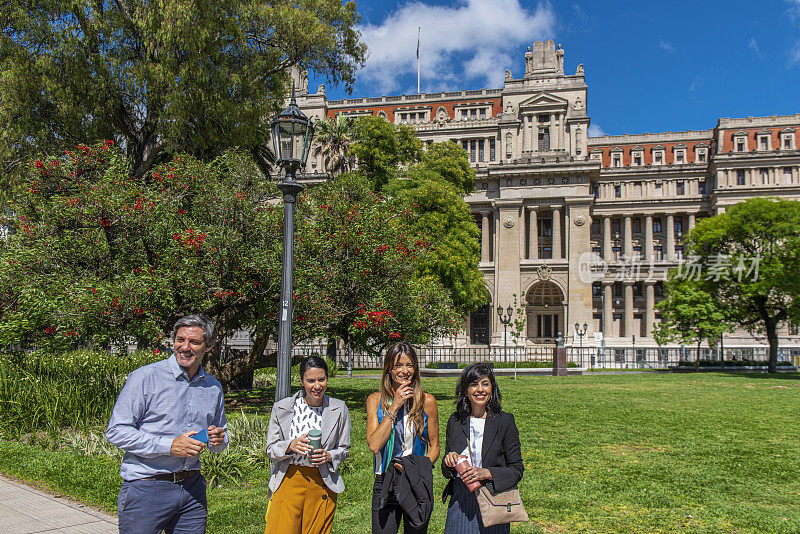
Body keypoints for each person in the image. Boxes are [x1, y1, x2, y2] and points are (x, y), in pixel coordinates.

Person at [106, 314, 228, 534]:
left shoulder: (213, 387)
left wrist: (218, 439)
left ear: (208, 346)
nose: (185, 347)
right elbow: (116, 431)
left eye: (194, 342)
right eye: (180, 340)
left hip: (192, 489)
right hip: (147, 486)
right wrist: (169, 446)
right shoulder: (145, 377)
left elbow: (220, 437)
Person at [264, 355, 351, 534]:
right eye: (311, 381)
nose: (317, 386)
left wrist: (329, 456)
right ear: (302, 380)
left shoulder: (338, 408)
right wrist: (290, 446)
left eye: (322, 379)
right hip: (289, 479)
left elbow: (344, 449)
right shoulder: (282, 408)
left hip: (321, 482)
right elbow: (270, 449)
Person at [366, 341, 440, 534]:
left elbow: (434, 446)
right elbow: (374, 445)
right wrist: (394, 406)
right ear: (389, 369)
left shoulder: (427, 402)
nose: (404, 370)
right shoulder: (376, 400)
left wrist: (419, 468)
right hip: (385, 481)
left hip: (416, 480)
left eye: (409, 365)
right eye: (398, 365)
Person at [441, 362, 524, 534]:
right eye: (473, 384)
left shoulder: (504, 421)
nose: (480, 389)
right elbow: (445, 469)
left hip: (494, 497)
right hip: (461, 497)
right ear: (465, 390)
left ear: (492, 388)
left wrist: (486, 473)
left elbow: (516, 470)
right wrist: (448, 461)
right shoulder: (456, 421)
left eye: (485, 384)